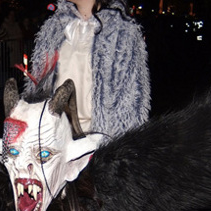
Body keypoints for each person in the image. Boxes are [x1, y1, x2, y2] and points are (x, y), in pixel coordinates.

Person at [25, 0, 151, 139]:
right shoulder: (54, 27)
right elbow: (37, 87)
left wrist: (115, 148)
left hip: (98, 140)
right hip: (55, 137)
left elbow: (130, 103)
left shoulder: (122, 32)